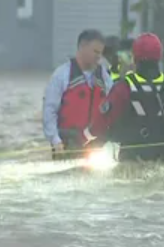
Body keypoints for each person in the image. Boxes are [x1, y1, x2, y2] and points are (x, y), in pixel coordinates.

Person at [82, 33, 164, 162]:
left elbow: (103, 120)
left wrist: (85, 136)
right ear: (159, 56)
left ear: (135, 58)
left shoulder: (124, 88)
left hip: (132, 157)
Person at [42, 29, 114, 159]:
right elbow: (49, 110)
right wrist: (55, 140)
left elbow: (113, 107)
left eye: (101, 53)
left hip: (96, 144)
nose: (99, 57)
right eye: (95, 52)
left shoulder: (104, 76)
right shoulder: (61, 75)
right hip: (66, 144)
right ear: (82, 47)